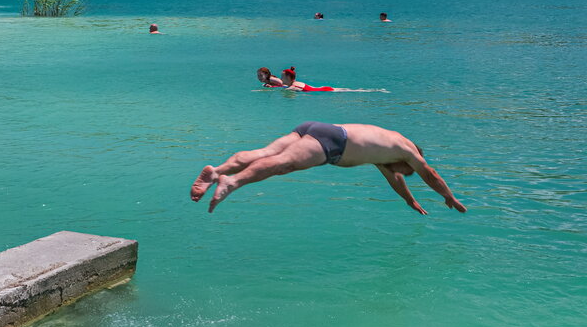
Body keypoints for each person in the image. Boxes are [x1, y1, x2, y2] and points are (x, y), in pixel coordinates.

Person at [190, 122, 467, 214]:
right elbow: (429, 173)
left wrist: (411, 201)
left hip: (318, 128)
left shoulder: (386, 150)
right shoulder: (406, 150)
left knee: (266, 153)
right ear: (411, 160)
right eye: (406, 170)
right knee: (282, 164)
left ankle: (216, 171)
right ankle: (231, 182)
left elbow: (394, 180)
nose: (402, 172)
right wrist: (448, 196)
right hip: (334, 143)